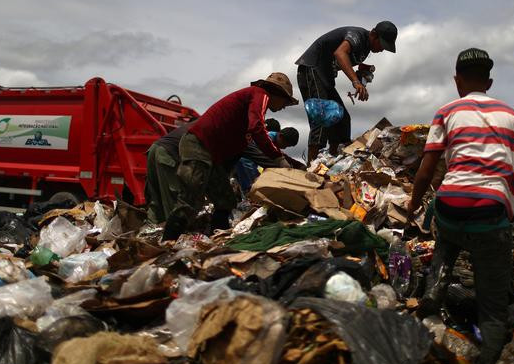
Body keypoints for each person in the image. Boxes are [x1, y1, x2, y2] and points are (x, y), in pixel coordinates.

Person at [406, 48, 514, 364]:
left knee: (445, 250)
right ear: (490, 82)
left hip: (450, 205)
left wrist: (413, 203)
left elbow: (426, 171)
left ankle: (430, 305)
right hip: (491, 213)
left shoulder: (446, 112)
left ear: (457, 80)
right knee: (493, 307)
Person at [164, 73, 298, 240]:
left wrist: (289, 163)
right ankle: (167, 242)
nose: (284, 106)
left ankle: (218, 238)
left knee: (225, 200)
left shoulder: (248, 108)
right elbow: (257, 127)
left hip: (211, 153)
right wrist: (278, 158)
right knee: (190, 198)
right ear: (277, 93)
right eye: (285, 102)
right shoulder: (260, 94)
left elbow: (253, 144)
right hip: (199, 145)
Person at [296, 21, 398, 160]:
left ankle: (332, 157)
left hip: (325, 77)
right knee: (323, 115)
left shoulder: (365, 49)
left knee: (342, 118)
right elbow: (340, 53)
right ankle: (312, 164)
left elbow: (344, 61)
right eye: (381, 44)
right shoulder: (357, 35)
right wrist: (355, 81)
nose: (381, 49)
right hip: (311, 69)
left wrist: (361, 75)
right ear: (373, 34)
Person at [144, 120, 194, 224]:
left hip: (153, 149)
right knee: (172, 199)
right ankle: (173, 234)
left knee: (155, 199)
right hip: (165, 153)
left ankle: (150, 229)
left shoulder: (189, 127)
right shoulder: (201, 130)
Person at [234, 127, 300, 193]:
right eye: (285, 145)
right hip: (246, 164)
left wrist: (299, 165)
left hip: (247, 164)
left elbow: (281, 156)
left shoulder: (273, 142)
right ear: (280, 136)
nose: (285, 147)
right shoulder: (267, 140)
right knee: (253, 188)